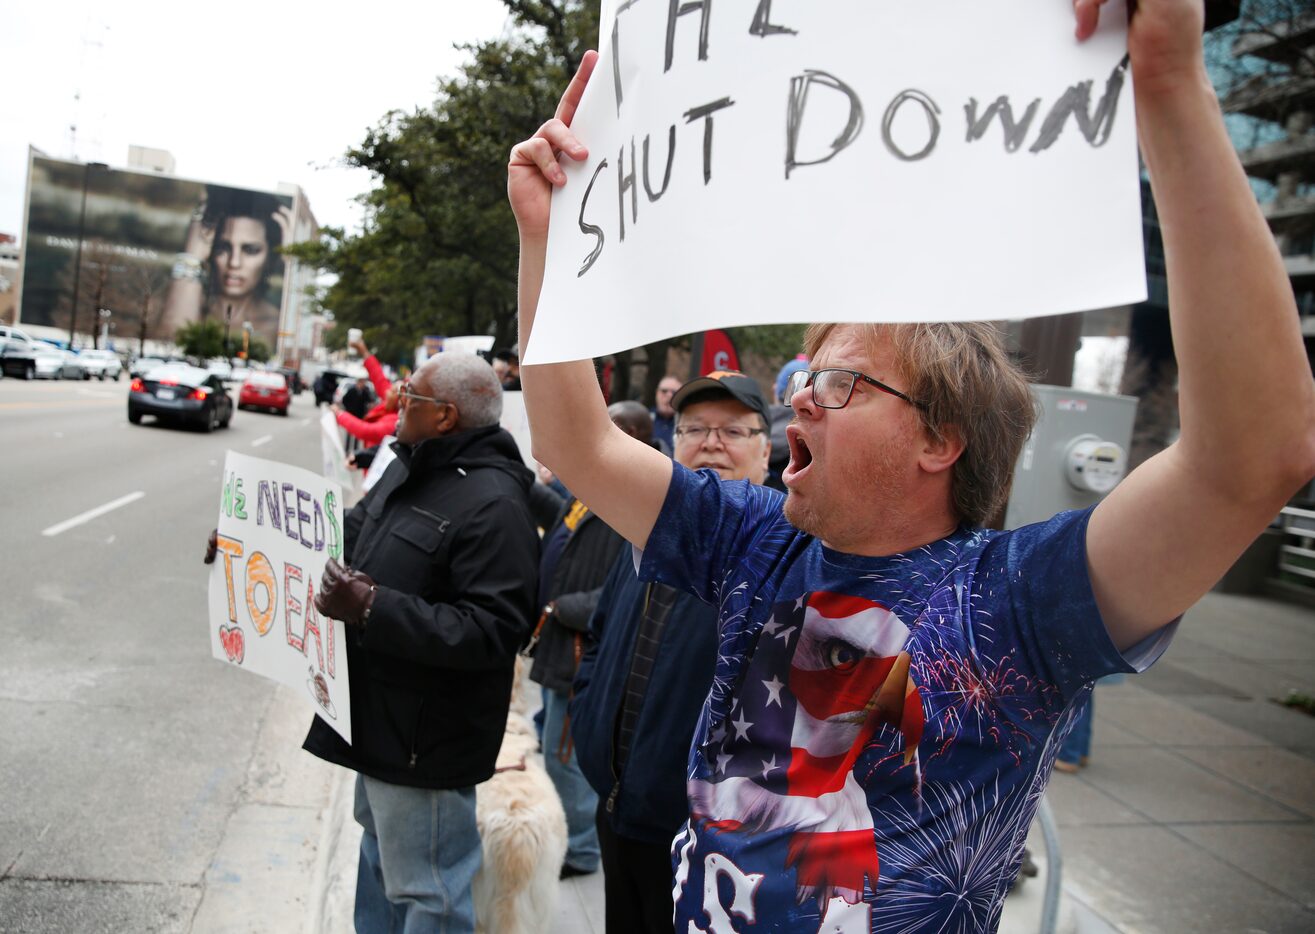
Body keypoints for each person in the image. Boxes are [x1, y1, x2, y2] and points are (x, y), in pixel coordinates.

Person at [506, 1, 1315, 928]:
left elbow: (1251, 460)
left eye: (842, 384)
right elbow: (574, 444)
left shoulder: (1018, 604)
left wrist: (1168, 83)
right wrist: (547, 239)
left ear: (940, 439)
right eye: (807, 374)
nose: (798, 398)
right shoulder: (751, 539)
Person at [210, 351, 540, 932]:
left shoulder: (496, 504)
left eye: (408, 395)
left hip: (425, 742)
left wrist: (370, 606)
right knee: (382, 863)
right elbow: (347, 533)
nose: (394, 404)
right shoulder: (411, 467)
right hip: (380, 722)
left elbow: (492, 632)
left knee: (429, 893)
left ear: (444, 416)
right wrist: (248, 536)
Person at [572, 371, 772, 934]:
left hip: (703, 842)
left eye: (732, 430)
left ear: (766, 448)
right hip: (616, 807)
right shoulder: (641, 527)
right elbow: (602, 632)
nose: (711, 442)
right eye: (695, 428)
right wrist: (590, 721)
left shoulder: (782, 554)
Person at [527, 401, 654, 877]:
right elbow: (561, 517)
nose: (601, 434)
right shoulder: (595, 486)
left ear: (639, 438)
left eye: (615, 428)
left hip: (579, 644)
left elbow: (626, 587)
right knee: (557, 746)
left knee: (568, 760)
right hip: (559, 643)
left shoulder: (636, 500)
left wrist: (568, 608)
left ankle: (578, 849)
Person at [162, 185, 293, 344]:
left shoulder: (275, 326)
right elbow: (171, 342)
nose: (234, 263)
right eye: (223, 248)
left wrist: (293, 261)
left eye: (250, 250)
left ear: (270, 257)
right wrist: (192, 254)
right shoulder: (173, 306)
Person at [334, 337, 400, 450]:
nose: (387, 390)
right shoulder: (393, 408)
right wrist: (364, 352)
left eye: (392, 390)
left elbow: (365, 430)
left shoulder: (395, 421)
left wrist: (339, 414)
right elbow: (378, 377)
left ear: (402, 399)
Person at [649, 375, 681, 452]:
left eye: (674, 392)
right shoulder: (644, 419)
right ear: (656, 393)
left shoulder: (687, 424)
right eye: (664, 391)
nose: (669, 395)